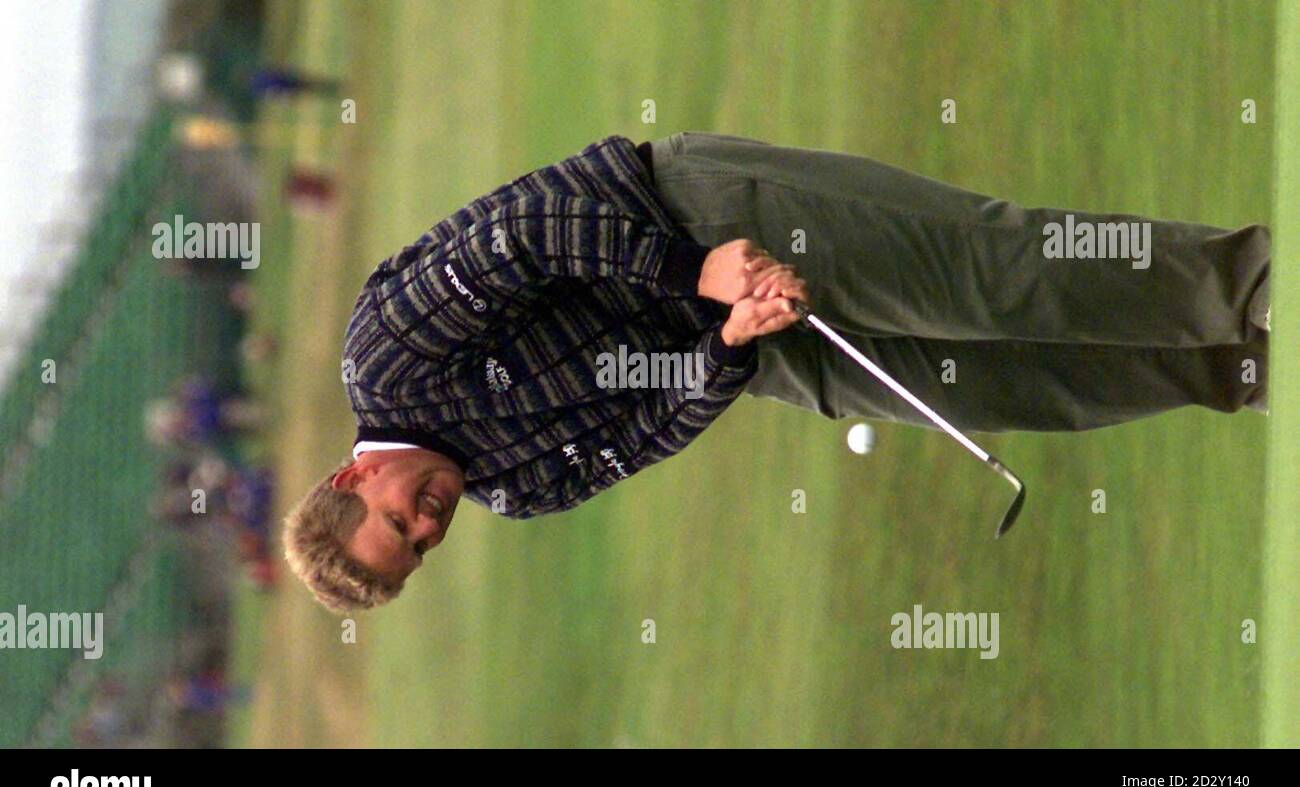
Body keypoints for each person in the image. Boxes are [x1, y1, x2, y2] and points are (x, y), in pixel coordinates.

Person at [284, 132, 1271, 612]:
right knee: (987, 390)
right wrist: (725, 344)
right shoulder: (512, 487)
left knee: (986, 279)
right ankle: (1227, 366)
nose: (428, 524)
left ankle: (1245, 285)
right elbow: (650, 427)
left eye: (397, 522)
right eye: (419, 549)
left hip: (689, 215)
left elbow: (521, 237)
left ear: (351, 479)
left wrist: (697, 270)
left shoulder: (387, 357)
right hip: (745, 339)